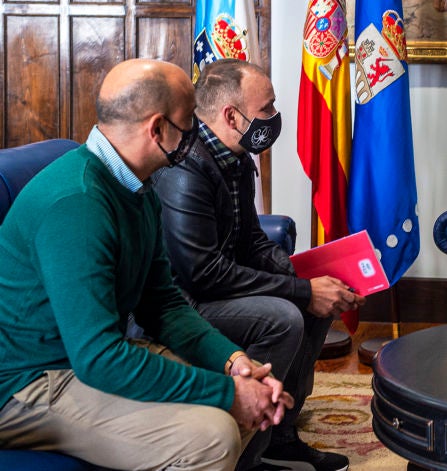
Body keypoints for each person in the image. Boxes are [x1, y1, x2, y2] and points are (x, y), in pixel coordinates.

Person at [0, 59, 293, 470]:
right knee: (213, 436)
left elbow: (163, 304)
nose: (197, 130)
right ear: (158, 129)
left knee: (247, 393)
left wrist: (234, 362)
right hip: (27, 382)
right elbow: (98, 357)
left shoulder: (137, 188)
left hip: (82, 360)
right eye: (189, 120)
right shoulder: (77, 204)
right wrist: (228, 394)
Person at [153, 58, 362, 471]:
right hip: (184, 302)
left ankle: (280, 435)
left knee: (316, 302)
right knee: (284, 317)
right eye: (266, 108)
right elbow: (201, 273)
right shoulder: (185, 167)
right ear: (232, 116)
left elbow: (250, 242)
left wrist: (307, 277)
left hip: (220, 287)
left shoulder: (235, 157)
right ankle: (246, 455)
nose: (274, 115)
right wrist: (301, 290)